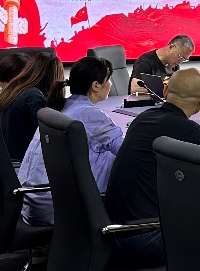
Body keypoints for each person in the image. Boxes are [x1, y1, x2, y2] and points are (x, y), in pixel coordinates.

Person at [105, 69, 200, 267]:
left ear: (165, 91)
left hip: (112, 231)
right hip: (143, 239)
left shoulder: (143, 118)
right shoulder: (189, 130)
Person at [15, 57, 123, 226]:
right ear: (96, 85)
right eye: (108, 79)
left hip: (31, 201)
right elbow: (125, 151)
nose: (110, 84)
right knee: (116, 159)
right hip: (55, 207)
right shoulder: (90, 114)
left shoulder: (61, 106)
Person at [0, 54, 65, 163]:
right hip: (22, 164)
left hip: (6, 162)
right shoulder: (34, 98)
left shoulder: (13, 89)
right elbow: (48, 138)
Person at [129, 35, 194, 94]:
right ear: (171, 47)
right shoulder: (145, 62)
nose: (181, 62)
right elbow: (134, 88)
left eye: (184, 59)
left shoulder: (174, 65)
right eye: (180, 57)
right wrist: (164, 88)